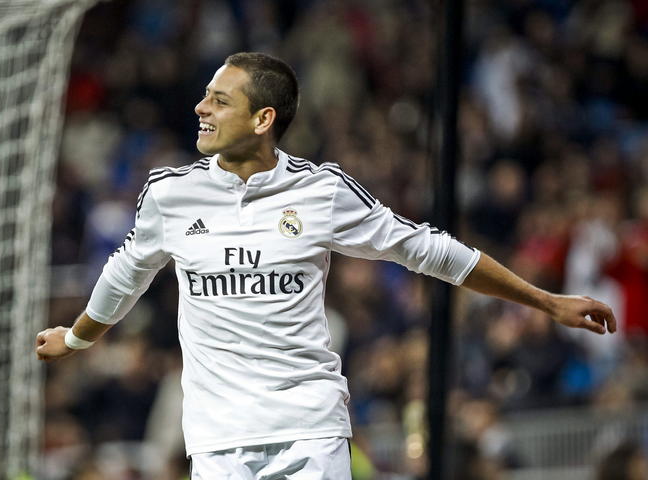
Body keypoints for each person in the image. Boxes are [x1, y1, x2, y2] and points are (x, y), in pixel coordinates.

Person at [36, 52, 616, 479]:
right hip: (217, 440)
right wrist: (77, 338)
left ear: (263, 119)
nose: (200, 107)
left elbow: (427, 249)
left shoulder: (321, 191)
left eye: (219, 100)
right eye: (206, 95)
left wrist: (546, 301)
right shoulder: (170, 194)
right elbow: (127, 272)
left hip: (309, 432)